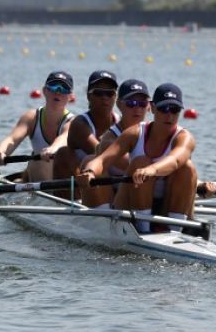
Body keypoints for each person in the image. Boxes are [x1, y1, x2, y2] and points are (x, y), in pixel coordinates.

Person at [90, 82, 197, 232]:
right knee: (141, 162)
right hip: (130, 203)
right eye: (163, 108)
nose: (169, 115)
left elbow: (175, 160)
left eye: (174, 110)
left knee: (187, 167)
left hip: (164, 207)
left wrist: (152, 170)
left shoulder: (185, 138)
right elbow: (102, 160)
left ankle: (176, 231)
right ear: (152, 108)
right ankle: (143, 229)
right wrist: (90, 172)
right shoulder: (134, 133)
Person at [74, 78, 149, 207]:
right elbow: (136, 167)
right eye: (131, 103)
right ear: (119, 105)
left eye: (142, 104)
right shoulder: (109, 140)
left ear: (149, 107)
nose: (137, 109)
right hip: (114, 201)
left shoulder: (155, 133)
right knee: (89, 160)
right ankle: (103, 219)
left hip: (145, 194)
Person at [0, 70, 75, 181]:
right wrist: (1, 151)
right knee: (37, 162)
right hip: (39, 173)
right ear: (44, 91)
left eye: (64, 89)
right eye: (53, 87)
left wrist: (52, 149)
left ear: (70, 96)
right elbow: (12, 139)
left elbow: (63, 139)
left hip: (65, 178)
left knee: (40, 160)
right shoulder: (31, 117)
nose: (58, 92)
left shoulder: (72, 121)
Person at [51, 70, 120, 194]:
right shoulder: (80, 124)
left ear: (116, 97)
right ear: (89, 96)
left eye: (109, 93)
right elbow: (102, 154)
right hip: (80, 190)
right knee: (65, 153)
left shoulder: (121, 122)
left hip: (109, 184)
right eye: (98, 93)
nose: (104, 98)